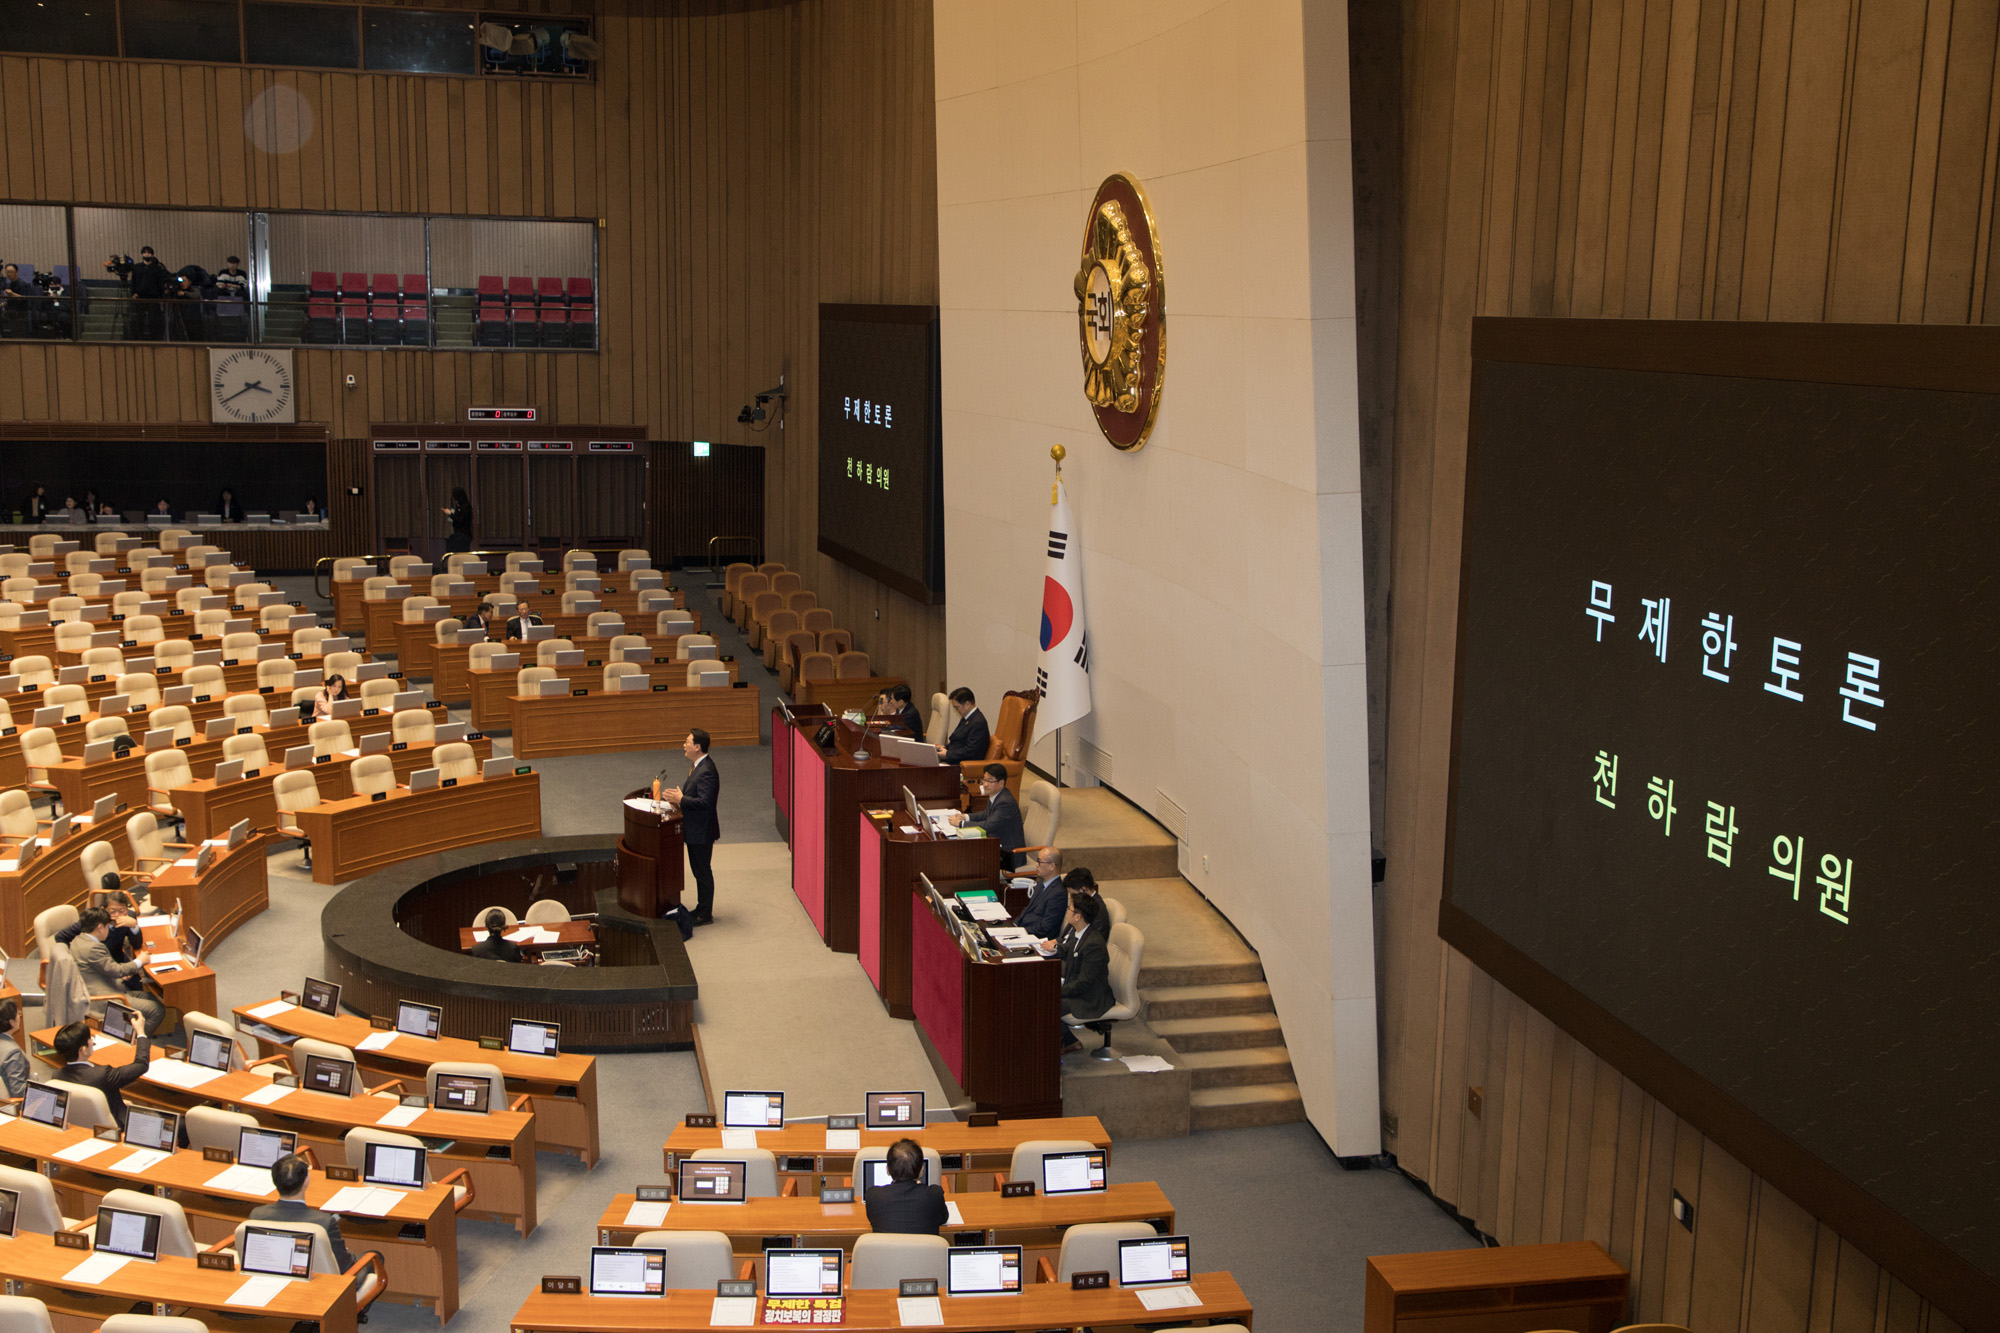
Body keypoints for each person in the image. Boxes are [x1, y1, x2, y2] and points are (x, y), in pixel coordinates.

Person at [251, 1154, 359, 1274]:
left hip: (276, 1275)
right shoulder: (324, 1222)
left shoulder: (257, 1215)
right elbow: (343, 1266)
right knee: (374, 1255)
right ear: (306, 1181)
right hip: (323, 1283)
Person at [69, 906, 164, 1034]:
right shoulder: (93, 948)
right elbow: (117, 970)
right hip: (105, 997)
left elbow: (105, 969)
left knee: (155, 998)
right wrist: (140, 961)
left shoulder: (77, 940)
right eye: (107, 926)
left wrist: (122, 975)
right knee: (157, 1010)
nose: (108, 929)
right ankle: (136, 1039)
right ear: (100, 927)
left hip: (111, 986)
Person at [52, 1018, 152, 1129]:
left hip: (83, 1126)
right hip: (117, 1128)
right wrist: (141, 1033)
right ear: (83, 1050)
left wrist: (115, 1102)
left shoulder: (57, 1076)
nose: (92, 1041)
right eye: (90, 1039)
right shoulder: (103, 1075)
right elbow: (141, 1065)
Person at [664, 729, 719, 926]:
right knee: (699, 870)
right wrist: (680, 797)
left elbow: (705, 802)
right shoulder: (698, 766)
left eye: (687, 742)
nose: (684, 745)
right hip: (696, 829)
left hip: (702, 831)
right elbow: (696, 796)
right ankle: (702, 908)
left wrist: (682, 799)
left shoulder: (707, 771)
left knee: (702, 871)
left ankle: (705, 914)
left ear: (697, 747)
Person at [1058, 893, 1113, 1054]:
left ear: (1078, 917)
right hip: (1079, 988)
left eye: (1069, 908)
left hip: (1090, 997)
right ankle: (1069, 1041)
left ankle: (1062, 1043)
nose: (1066, 911)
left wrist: (1057, 990)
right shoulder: (1079, 933)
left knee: (1047, 1003)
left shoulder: (1093, 944)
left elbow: (1084, 983)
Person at [863, 1137, 948, 1235]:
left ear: (887, 1170)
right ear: (921, 1170)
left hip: (888, 1250)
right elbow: (943, 1218)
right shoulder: (934, 1195)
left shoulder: (873, 1196)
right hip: (922, 1250)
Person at [947, 764, 1026, 869]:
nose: (985, 785)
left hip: (1009, 855)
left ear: (1001, 783)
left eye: (990, 781)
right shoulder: (996, 794)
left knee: (966, 860)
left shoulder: (1005, 802)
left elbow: (988, 826)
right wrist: (965, 817)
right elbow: (985, 814)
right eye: (984, 780)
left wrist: (961, 824)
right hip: (996, 845)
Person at [1017, 847, 1068, 939]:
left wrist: (1021, 932)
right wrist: (1013, 925)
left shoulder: (1058, 893)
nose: (1036, 865)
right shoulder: (1040, 883)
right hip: (1024, 931)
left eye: (1039, 861)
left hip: (1037, 939)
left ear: (1052, 866)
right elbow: (1027, 910)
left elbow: (1045, 927)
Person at [935, 687, 990, 762]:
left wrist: (947, 754)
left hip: (962, 766)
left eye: (957, 707)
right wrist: (944, 747)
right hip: (954, 761)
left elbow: (971, 752)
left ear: (967, 704)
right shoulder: (967, 718)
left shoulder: (978, 723)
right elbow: (957, 741)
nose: (956, 710)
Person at [128, 246, 169, 340]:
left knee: (154, 320)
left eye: (149, 253)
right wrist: (133, 293)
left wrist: (161, 296)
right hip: (139, 297)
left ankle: (155, 340)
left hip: (153, 298)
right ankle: (137, 339)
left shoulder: (157, 269)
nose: (147, 254)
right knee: (138, 320)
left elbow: (160, 283)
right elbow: (133, 281)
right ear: (142, 254)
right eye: (145, 253)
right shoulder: (137, 268)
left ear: (152, 255)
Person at [0, 998, 27, 1099]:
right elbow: (19, 1092)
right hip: (14, 1104)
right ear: (11, 1022)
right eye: (17, 1013)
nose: (19, 1015)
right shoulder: (12, 1052)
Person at [443, 487, 473, 553]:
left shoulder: (466, 506)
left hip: (464, 535)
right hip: (458, 533)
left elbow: (460, 520)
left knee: (462, 553)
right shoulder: (459, 505)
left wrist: (450, 514)